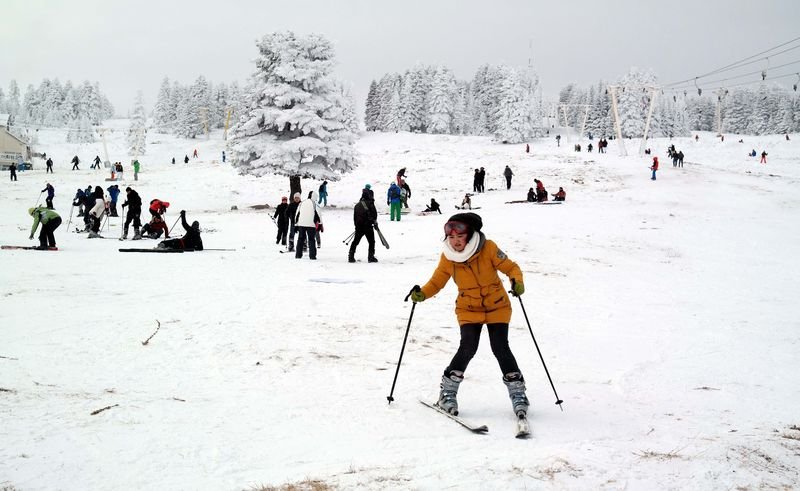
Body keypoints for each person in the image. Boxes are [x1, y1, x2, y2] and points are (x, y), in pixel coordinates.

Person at [409, 213, 529, 417]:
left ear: (470, 235)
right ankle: (447, 393)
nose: (455, 242)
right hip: (468, 309)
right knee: (468, 347)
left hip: (497, 306)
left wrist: (517, 281)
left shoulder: (488, 248)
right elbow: (437, 282)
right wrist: (422, 294)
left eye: (460, 237)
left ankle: (518, 394)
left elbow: (511, 267)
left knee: (500, 347)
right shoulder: (448, 257)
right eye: (451, 238)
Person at [349, 187, 378, 263]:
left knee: (355, 241)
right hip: (368, 226)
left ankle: (351, 256)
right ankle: (370, 257)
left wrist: (356, 226)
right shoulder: (370, 204)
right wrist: (374, 222)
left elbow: (354, 217)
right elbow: (374, 215)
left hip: (359, 227)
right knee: (371, 242)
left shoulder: (357, 205)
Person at [294, 191, 320, 260]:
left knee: (300, 239)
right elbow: (319, 214)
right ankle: (312, 256)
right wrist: (320, 224)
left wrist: (296, 224)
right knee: (311, 240)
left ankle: (298, 255)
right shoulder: (315, 203)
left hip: (301, 224)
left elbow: (297, 214)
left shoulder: (302, 203)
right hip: (311, 225)